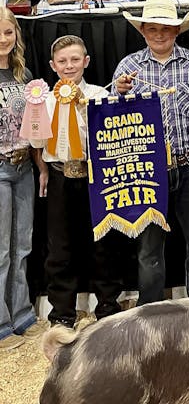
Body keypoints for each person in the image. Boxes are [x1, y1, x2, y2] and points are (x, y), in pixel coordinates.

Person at [113, 0, 189, 303]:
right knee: (148, 247)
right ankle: (151, 314)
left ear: (176, 31)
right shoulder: (128, 67)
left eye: (166, 28)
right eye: (152, 28)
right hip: (148, 169)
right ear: (143, 30)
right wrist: (117, 94)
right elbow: (115, 124)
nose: (159, 34)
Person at [31, 35, 122, 328]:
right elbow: (36, 142)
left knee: (103, 243)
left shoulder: (99, 94)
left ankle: (108, 307)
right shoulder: (42, 100)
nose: (69, 66)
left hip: (95, 177)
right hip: (59, 176)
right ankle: (61, 314)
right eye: (62, 61)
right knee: (60, 247)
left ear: (86, 62)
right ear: (52, 65)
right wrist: (43, 169)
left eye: (74, 60)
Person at [0, 9, 47, 349]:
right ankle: (2, 322)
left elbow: (34, 129)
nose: (3, 40)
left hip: (24, 167)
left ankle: (22, 314)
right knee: (1, 249)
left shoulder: (24, 76)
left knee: (23, 245)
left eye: (7, 32)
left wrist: (41, 166)